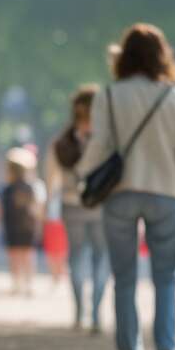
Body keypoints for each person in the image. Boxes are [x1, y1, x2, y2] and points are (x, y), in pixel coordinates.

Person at [77, 23, 175, 350]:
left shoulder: (109, 96)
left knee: (125, 279)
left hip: (120, 194)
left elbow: (99, 147)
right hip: (167, 194)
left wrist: (82, 173)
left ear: (123, 56)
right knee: (166, 278)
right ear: (162, 56)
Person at [45, 85, 108, 333]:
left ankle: (80, 312)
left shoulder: (61, 143)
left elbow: (51, 178)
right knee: (101, 258)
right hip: (102, 206)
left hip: (71, 205)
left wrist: (48, 205)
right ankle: (96, 313)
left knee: (77, 257)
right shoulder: (106, 141)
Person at [1, 147, 44, 296]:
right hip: (28, 225)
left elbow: (2, 209)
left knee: (15, 255)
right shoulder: (32, 187)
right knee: (28, 255)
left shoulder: (7, 189)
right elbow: (37, 208)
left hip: (12, 224)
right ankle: (28, 283)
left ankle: (17, 284)